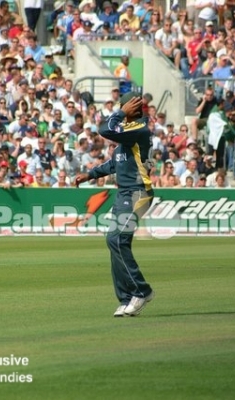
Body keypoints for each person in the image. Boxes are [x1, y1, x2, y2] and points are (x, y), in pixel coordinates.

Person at [75, 92, 155, 318]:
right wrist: (89, 175)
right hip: (124, 195)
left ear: (132, 108)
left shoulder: (139, 129)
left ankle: (141, 290)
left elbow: (104, 129)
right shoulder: (127, 138)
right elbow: (114, 163)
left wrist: (120, 113)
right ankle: (126, 297)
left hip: (139, 193)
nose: (121, 111)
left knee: (116, 239)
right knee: (115, 243)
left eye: (125, 107)